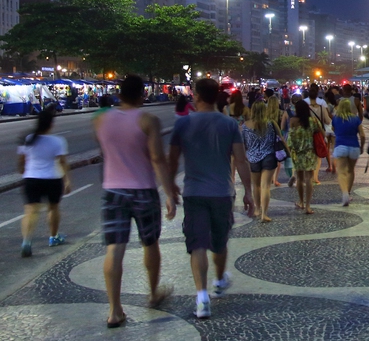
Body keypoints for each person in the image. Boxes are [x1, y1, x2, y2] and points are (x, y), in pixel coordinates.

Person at [168, 77, 253, 320]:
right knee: (219, 241)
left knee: (197, 245)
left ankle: (202, 296)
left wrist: (170, 187)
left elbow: (172, 159)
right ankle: (218, 280)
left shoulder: (183, 124)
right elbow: (241, 160)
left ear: (196, 95)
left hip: (194, 192)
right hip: (222, 192)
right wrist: (249, 192)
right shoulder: (229, 124)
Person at [95, 74, 173, 327]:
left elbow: (105, 153)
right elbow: (157, 159)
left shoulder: (100, 121)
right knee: (150, 243)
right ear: (142, 94)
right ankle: (152, 293)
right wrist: (170, 191)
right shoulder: (148, 120)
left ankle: (114, 310)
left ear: (119, 94)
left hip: (113, 191)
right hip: (143, 190)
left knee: (114, 248)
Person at [17, 107, 69, 258]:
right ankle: (53, 237)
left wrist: (23, 171)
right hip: (53, 178)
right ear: (51, 124)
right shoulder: (58, 141)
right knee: (53, 208)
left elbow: (21, 161)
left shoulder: (28, 139)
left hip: (31, 178)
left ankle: (26, 242)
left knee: (30, 212)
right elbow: (63, 162)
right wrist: (67, 180)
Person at [243, 100, 279, 222]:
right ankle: (264, 213)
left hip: (252, 158)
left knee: (256, 185)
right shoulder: (270, 123)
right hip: (269, 155)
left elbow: (243, 145)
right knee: (265, 186)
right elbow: (279, 138)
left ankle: (257, 209)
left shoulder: (245, 125)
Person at [287, 99, 320, 213]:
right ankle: (308, 206)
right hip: (310, 153)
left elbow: (290, 138)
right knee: (309, 178)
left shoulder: (293, 121)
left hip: (297, 153)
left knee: (300, 178)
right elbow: (320, 132)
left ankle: (301, 201)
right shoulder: (313, 121)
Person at [332, 98, 365, 206]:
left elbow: (333, 131)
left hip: (340, 146)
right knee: (351, 171)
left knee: (341, 172)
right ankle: (349, 193)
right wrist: (362, 146)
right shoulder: (355, 119)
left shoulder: (336, 118)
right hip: (354, 146)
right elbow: (362, 135)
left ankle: (344, 193)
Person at [307, 85, 331, 185]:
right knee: (318, 156)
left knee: (310, 154)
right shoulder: (322, 108)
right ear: (317, 95)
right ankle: (315, 177)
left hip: (307, 133)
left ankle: (309, 175)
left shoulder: (305, 106)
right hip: (319, 133)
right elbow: (328, 121)